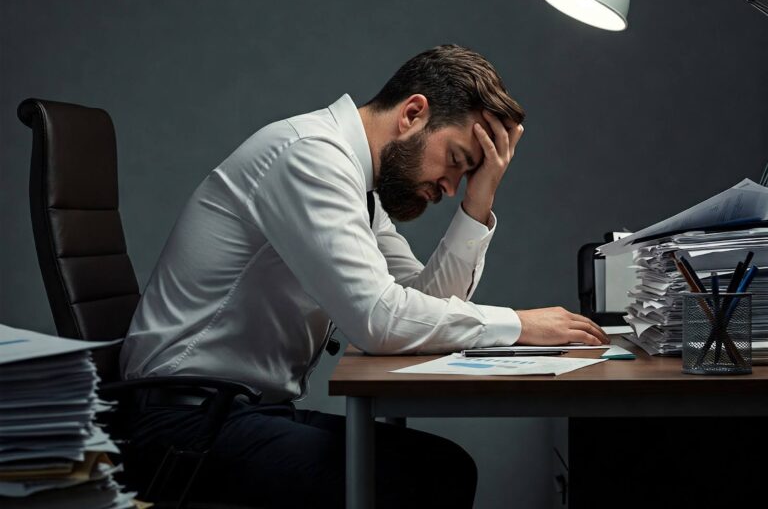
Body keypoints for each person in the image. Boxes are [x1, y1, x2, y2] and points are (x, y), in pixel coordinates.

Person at [120, 44, 609, 508]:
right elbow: (381, 322)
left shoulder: (359, 185)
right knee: (421, 481)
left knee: (443, 468)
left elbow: (423, 301)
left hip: (233, 413)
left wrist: (478, 201)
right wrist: (520, 326)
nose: (449, 185)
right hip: (184, 427)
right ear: (413, 114)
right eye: (457, 161)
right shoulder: (311, 157)